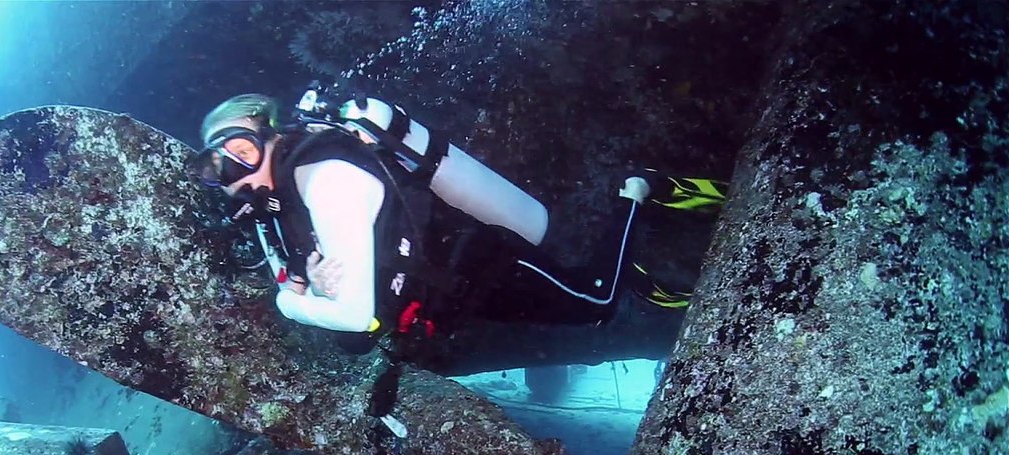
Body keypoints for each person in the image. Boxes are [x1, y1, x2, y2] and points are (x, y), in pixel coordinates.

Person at [187, 91, 721, 344]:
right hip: (458, 294)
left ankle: (636, 189)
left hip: (483, 263)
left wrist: (292, 304)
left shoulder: (324, 181)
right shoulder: (283, 208)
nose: (235, 174)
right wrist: (316, 286)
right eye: (218, 169)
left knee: (597, 305)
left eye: (241, 151)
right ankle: (629, 272)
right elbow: (341, 296)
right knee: (584, 300)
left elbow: (352, 317)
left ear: (271, 137)